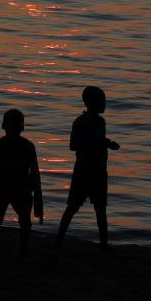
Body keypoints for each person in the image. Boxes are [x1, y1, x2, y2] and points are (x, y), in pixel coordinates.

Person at [55, 85, 120, 248]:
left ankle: (104, 243)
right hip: (84, 171)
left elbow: (98, 142)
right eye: (102, 101)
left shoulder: (101, 121)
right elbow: (73, 145)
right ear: (91, 103)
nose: (105, 104)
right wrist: (99, 143)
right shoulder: (80, 121)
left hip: (99, 171)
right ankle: (59, 239)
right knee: (73, 207)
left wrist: (108, 144)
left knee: (100, 210)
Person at [0, 108, 43, 257]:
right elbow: (35, 176)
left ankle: (5, 245)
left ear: (3, 126)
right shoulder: (11, 146)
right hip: (11, 189)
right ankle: (14, 246)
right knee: (3, 220)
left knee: (2, 220)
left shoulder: (1, 146)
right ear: (22, 127)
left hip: (13, 189)